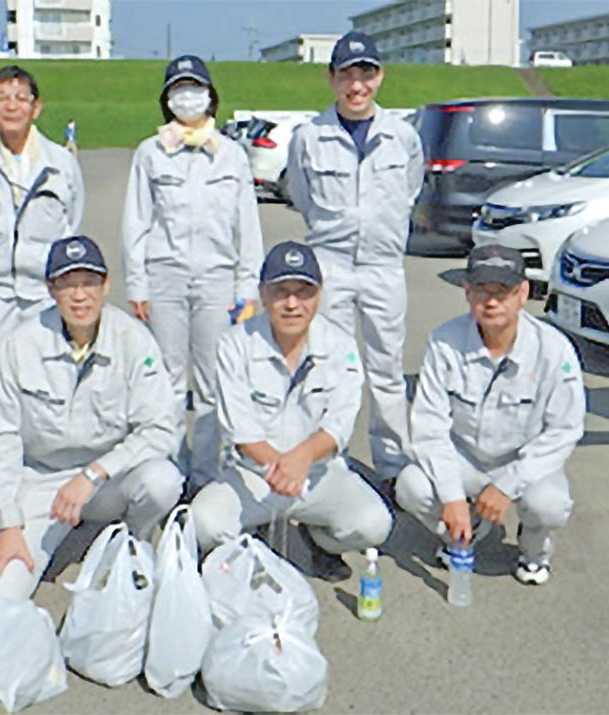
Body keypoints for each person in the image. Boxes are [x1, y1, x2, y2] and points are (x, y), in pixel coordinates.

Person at [0, 236, 183, 601]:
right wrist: (9, 525)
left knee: (163, 480)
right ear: (51, 289)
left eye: (88, 283)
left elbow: (160, 430)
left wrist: (94, 474)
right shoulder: (21, 344)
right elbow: (3, 437)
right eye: (67, 284)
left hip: (107, 480)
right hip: (43, 483)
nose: (79, 296)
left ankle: (132, 542)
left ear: (106, 286)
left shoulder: (134, 340)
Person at [190, 242, 393, 582]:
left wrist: (300, 461)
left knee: (374, 525)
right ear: (263, 294)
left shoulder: (340, 344)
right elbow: (238, 427)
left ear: (320, 294)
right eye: (280, 291)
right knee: (203, 523)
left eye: (304, 292)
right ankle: (249, 544)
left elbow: (340, 422)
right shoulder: (235, 343)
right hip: (253, 473)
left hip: (317, 473)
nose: (292, 303)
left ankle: (320, 543)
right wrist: (281, 468)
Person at [395, 245, 586, 586]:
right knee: (411, 485)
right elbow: (429, 429)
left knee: (549, 504)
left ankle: (533, 552)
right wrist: (452, 497)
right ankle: (463, 531)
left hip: (523, 459)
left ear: (523, 293)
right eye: (482, 290)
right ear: (466, 292)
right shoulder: (444, 342)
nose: (492, 302)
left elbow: (564, 430)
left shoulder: (554, 350)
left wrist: (508, 485)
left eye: (503, 292)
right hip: (466, 458)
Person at [286, 32, 424, 483]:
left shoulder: (402, 136)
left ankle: (392, 466)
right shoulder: (310, 136)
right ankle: (331, 463)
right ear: (332, 80)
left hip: (383, 268)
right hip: (331, 265)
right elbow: (304, 199)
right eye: (347, 75)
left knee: (386, 372)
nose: (357, 85)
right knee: (330, 369)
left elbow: (408, 193)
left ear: (379, 77)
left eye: (366, 73)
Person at [121, 54, 264, 491]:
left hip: (217, 280)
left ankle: (204, 476)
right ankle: (170, 472)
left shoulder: (231, 155)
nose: (188, 96)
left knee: (211, 383)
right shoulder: (150, 152)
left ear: (210, 95)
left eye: (195, 88)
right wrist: (137, 283)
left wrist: (247, 287)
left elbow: (248, 225)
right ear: (167, 98)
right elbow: (136, 221)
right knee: (164, 378)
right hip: (164, 277)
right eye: (178, 89)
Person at [0, 65, 85, 529]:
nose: (11, 105)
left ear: (37, 106)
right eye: (1, 97)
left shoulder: (60, 161)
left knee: (48, 389)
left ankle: (44, 479)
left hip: (43, 294)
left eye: (20, 96)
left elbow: (72, 223)